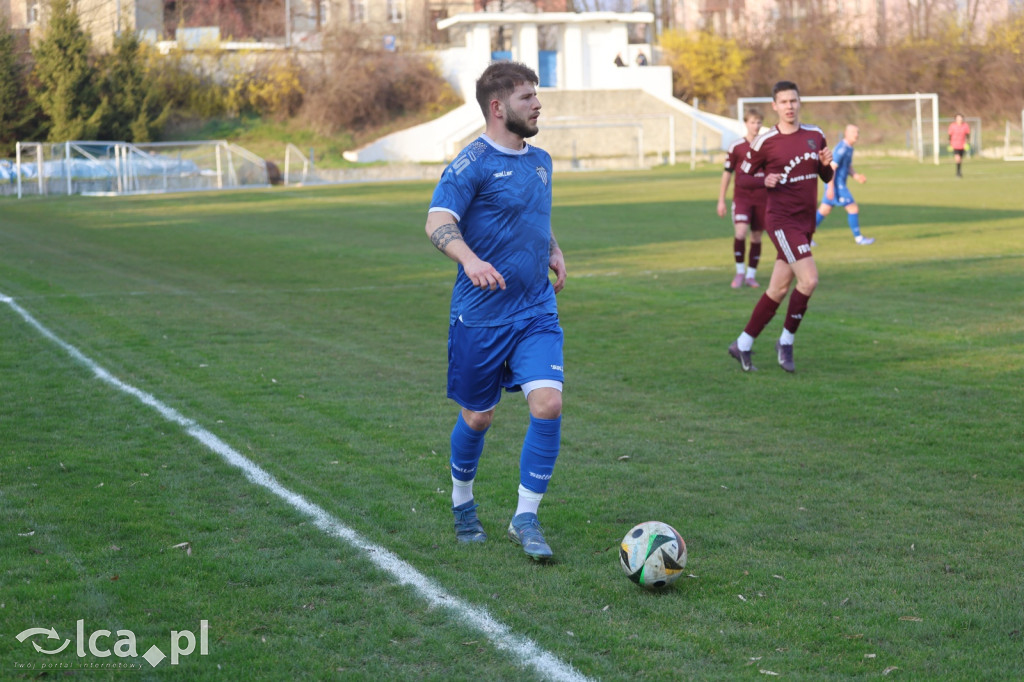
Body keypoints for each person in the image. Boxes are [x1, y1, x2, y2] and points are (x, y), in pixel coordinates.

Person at [424, 61, 567, 562]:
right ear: (498, 107)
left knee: (548, 404)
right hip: (481, 315)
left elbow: (534, 215)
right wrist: (469, 258)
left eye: (536, 94)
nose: (537, 103)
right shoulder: (472, 162)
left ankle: (524, 516)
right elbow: (438, 219)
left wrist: (552, 248)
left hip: (535, 310)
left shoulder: (542, 161)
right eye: (528, 96)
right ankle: (463, 502)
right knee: (478, 417)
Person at [728, 80, 834, 373]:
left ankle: (743, 344)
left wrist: (826, 164)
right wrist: (766, 180)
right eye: (784, 102)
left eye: (794, 101)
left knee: (778, 288)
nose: (789, 106)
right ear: (775, 106)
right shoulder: (765, 141)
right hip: (781, 220)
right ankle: (785, 341)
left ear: (800, 103)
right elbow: (745, 175)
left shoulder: (815, 135)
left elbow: (824, 175)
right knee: (809, 280)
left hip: (805, 220)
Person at [718, 108, 767, 288]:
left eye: (759, 122)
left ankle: (751, 275)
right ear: (746, 123)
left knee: (756, 237)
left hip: (763, 199)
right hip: (742, 198)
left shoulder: (767, 147)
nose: (756, 126)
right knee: (740, 232)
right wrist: (721, 200)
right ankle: (739, 272)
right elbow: (727, 173)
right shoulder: (736, 147)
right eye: (752, 122)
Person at [815, 124, 874, 245]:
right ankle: (859, 238)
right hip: (837, 185)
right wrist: (830, 188)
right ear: (846, 133)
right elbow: (832, 167)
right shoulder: (842, 149)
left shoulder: (849, 148)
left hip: (836, 185)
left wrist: (856, 176)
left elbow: (847, 166)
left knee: (824, 211)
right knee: (853, 208)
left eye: (857, 132)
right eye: (854, 132)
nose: (856, 135)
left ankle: (805, 236)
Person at [948, 113, 971, 178]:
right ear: (956, 119)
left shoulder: (965, 125)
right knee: (957, 158)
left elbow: (967, 135)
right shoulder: (952, 126)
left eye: (960, 118)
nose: (959, 119)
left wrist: (967, 143)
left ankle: (959, 170)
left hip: (962, 144)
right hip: (955, 144)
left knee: (960, 159)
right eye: (958, 118)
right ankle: (958, 172)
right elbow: (950, 135)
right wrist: (950, 144)